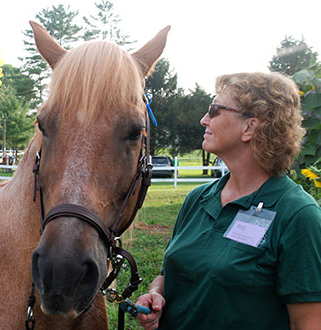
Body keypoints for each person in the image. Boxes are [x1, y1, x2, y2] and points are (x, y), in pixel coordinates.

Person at [135, 72, 321, 330]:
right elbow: (169, 275)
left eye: (215, 110)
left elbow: (308, 324)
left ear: (250, 127)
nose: (204, 120)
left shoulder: (298, 214)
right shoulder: (198, 199)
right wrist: (156, 294)